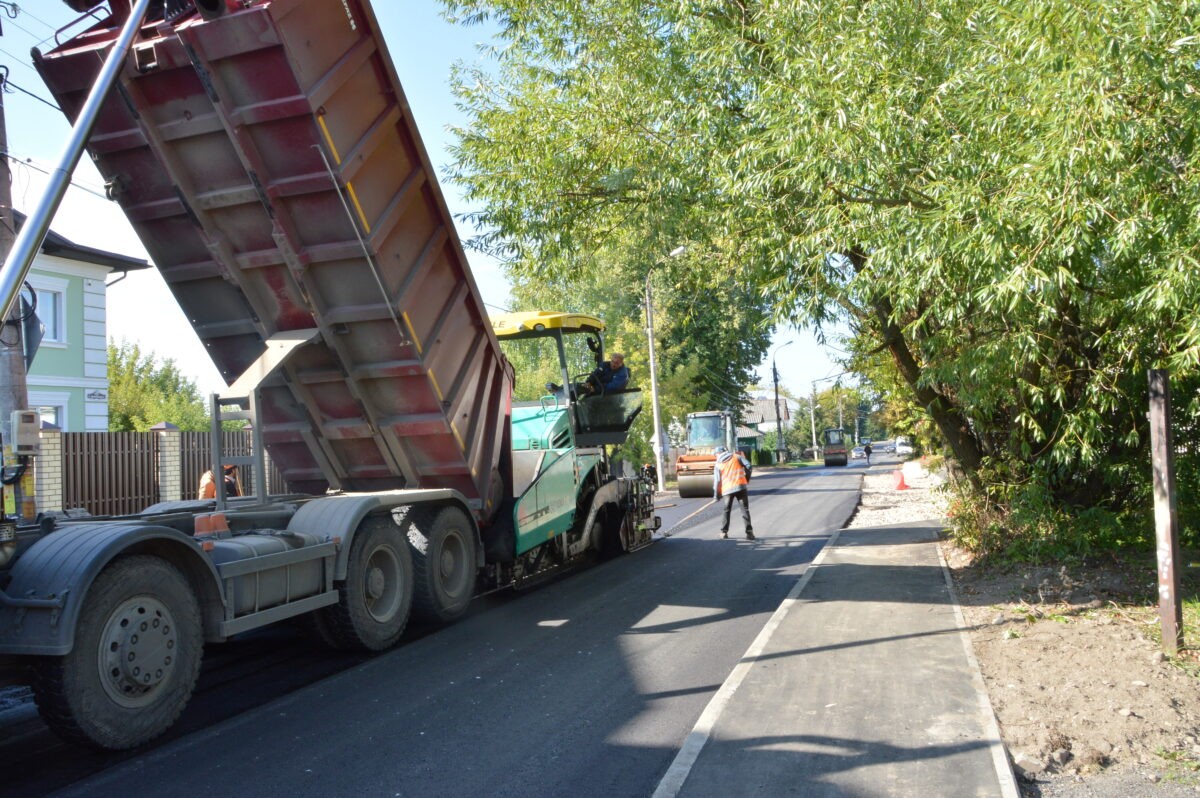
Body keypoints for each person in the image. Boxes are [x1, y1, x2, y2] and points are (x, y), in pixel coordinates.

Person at [712, 445, 754, 540]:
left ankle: (724, 533)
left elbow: (717, 482)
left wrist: (716, 495)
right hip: (741, 487)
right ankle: (749, 533)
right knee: (744, 510)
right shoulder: (737, 457)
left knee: (726, 510)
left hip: (727, 490)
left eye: (716, 455)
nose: (716, 457)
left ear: (718, 453)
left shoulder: (718, 464)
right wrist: (747, 478)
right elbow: (749, 466)